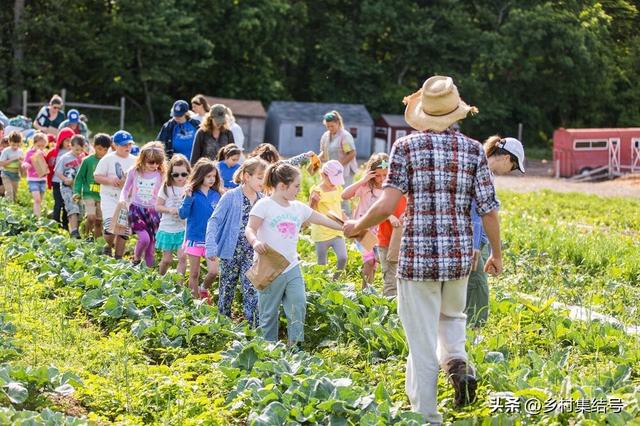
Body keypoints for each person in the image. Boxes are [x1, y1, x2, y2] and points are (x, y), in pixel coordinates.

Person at [343, 75, 503, 424]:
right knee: (452, 318)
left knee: (421, 339)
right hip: (460, 256)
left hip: (419, 257)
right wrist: (497, 254)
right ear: (456, 113)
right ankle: (458, 363)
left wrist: (358, 226)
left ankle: (427, 415)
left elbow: (387, 205)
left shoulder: (406, 147)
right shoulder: (474, 150)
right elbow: (489, 209)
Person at [245, 162, 342, 345]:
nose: (299, 190)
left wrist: (347, 228)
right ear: (283, 186)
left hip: (292, 266)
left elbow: (322, 220)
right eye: (296, 186)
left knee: (298, 305)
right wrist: (255, 241)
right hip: (269, 267)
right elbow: (250, 228)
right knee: (268, 313)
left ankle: (295, 347)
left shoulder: (298, 208)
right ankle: (268, 349)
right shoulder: (264, 205)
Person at [466, 135, 525, 327]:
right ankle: (472, 332)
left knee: (473, 287)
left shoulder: (485, 173)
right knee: (477, 287)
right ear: (507, 158)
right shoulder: (480, 171)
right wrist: (477, 247)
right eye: (514, 167)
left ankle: (468, 331)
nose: (511, 171)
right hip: (472, 240)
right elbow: (477, 213)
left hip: (480, 239)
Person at [206, 157, 268, 325]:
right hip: (230, 251)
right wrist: (211, 246)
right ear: (247, 176)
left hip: (252, 253)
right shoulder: (230, 197)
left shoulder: (263, 200)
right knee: (226, 290)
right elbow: (214, 221)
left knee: (252, 290)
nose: (263, 181)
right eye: (260, 177)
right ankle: (222, 326)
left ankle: (253, 329)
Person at [341, 153, 389, 287]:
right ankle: (364, 292)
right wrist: (363, 180)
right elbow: (344, 195)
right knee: (369, 261)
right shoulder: (365, 187)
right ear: (371, 173)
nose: (381, 179)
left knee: (374, 264)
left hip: (379, 232)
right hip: (363, 230)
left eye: (385, 175)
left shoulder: (389, 190)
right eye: (377, 175)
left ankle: (368, 290)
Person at [178, 158, 222, 298]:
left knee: (214, 272)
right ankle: (194, 300)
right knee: (194, 273)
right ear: (200, 176)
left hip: (211, 240)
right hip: (194, 238)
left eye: (214, 176)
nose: (211, 179)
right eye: (208, 176)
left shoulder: (217, 195)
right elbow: (182, 214)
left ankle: (203, 289)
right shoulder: (192, 194)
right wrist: (188, 198)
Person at [119, 141, 165, 267]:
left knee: (151, 248)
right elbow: (126, 189)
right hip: (136, 210)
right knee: (144, 238)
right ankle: (136, 259)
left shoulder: (160, 174)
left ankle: (148, 273)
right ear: (143, 159)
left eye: (158, 162)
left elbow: (164, 193)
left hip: (153, 212)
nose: (155, 165)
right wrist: (123, 199)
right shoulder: (134, 171)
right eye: (151, 162)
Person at [93, 130, 137, 259]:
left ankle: (118, 257)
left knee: (123, 230)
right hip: (110, 198)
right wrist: (110, 180)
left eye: (129, 144)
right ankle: (106, 247)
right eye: (124, 145)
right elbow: (96, 176)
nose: (127, 147)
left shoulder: (135, 160)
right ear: (115, 145)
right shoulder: (108, 159)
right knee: (110, 228)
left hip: (127, 200)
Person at [309, 160, 348, 275]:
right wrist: (312, 202)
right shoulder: (317, 191)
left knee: (343, 258)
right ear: (323, 175)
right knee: (322, 264)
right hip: (321, 232)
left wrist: (345, 218)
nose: (334, 183)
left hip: (337, 229)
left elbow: (338, 207)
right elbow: (311, 212)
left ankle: (335, 281)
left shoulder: (338, 188)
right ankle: (325, 286)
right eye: (331, 180)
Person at [156, 154, 191, 275]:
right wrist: (169, 210)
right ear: (170, 174)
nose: (180, 177)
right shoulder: (167, 187)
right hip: (168, 227)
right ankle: (160, 278)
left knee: (182, 257)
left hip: (183, 228)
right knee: (167, 260)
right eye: (176, 174)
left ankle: (179, 286)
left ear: (188, 172)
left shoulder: (190, 188)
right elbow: (158, 206)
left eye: (183, 174)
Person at [73, 133, 111, 241]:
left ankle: (97, 240)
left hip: (102, 195)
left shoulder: (109, 161)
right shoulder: (87, 161)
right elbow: (79, 177)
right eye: (99, 149)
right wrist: (77, 191)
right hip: (88, 193)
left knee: (99, 221)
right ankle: (87, 236)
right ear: (94, 146)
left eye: (105, 150)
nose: (102, 152)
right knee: (91, 217)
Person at [319, 110, 358, 213]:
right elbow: (323, 152)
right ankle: (333, 220)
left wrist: (337, 166)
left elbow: (352, 153)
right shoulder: (325, 136)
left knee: (342, 197)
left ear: (338, 123)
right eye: (328, 126)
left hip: (344, 172)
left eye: (332, 126)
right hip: (330, 172)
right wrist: (316, 160)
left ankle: (346, 222)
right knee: (330, 195)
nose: (330, 129)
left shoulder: (345, 136)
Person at [55, 135, 87, 238]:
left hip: (78, 188)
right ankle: (74, 232)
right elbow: (57, 171)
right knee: (72, 207)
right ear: (71, 146)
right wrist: (65, 179)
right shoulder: (65, 158)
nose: (79, 152)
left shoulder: (83, 158)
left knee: (81, 210)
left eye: (81, 150)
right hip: (67, 188)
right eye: (77, 149)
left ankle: (76, 230)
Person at [376, 194, 407, 297]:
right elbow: (376, 211)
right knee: (391, 280)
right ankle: (390, 309)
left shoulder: (414, 198)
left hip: (405, 245)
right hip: (386, 244)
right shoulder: (389, 194)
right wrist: (389, 216)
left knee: (404, 281)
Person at [46, 127, 75, 229]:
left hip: (69, 183)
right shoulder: (55, 152)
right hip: (57, 182)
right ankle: (55, 223)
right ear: (61, 140)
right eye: (66, 140)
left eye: (71, 141)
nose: (68, 143)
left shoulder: (74, 153)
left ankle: (65, 224)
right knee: (58, 203)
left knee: (67, 204)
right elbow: (47, 164)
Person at [22, 132, 49, 216]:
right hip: (33, 179)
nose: (40, 148)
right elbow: (24, 163)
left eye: (43, 146)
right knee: (37, 199)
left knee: (39, 199)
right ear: (34, 144)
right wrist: (27, 165)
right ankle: (37, 218)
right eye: (38, 146)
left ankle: (36, 214)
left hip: (42, 179)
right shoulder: (30, 153)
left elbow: (47, 164)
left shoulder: (44, 153)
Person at [0, 131, 24, 202]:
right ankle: (8, 209)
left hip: (15, 174)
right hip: (6, 173)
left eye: (17, 145)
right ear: (9, 142)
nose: (15, 147)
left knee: (14, 193)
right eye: (13, 144)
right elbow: (1, 163)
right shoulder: (6, 151)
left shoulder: (20, 151)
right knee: (9, 192)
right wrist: (13, 159)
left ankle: (13, 207)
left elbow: (22, 164)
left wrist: (21, 162)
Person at [248, 143, 313, 168]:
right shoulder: (251, 165)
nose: (269, 164)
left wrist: (305, 155)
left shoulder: (276, 165)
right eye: (266, 160)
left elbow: (290, 162)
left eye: (271, 161)